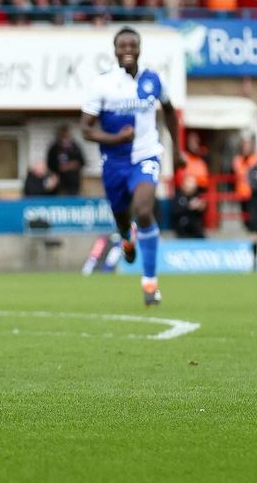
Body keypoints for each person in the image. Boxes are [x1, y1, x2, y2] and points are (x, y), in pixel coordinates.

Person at [81, 27, 185, 306]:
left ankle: (150, 284)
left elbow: (171, 113)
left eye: (132, 44)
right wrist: (116, 138)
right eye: (122, 45)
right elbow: (86, 130)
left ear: (139, 48)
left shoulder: (153, 80)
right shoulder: (102, 84)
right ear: (114, 51)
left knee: (143, 209)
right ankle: (126, 238)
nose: (127, 49)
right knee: (122, 218)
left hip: (146, 156)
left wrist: (178, 151)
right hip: (114, 162)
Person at [47, 125, 85, 195]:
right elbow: (50, 164)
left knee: (73, 199)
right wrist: (59, 167)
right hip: (59, 180)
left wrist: (72, 165)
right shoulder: (54, 148)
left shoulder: (75, 147)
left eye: (66, 135)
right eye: (63, 135)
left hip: (73, 180)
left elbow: (82, 162)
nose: (65, 137)